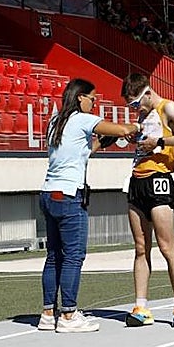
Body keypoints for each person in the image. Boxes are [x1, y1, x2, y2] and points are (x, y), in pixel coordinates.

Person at [38, 79, 139, 333]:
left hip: (50, 192)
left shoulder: (56, 121)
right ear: (81, 97)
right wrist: (138, 125)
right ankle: (69, 315)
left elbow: (81, 151)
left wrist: (101, 143)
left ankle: (48, 313)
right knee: (73, 256)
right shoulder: (83, 119)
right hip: (70, 195)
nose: (94, 104)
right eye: (93, 99)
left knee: (54, 256)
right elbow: (119, 129)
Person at [121, 72, 174, 329]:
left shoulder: (168, 108)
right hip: (137, 180)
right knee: (141, 247)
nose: (135, 110)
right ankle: (141, 305)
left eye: (135, 104)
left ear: (147, 93)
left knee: (167, 247)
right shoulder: (143, 116)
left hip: (159, 180)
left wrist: (161, 141)